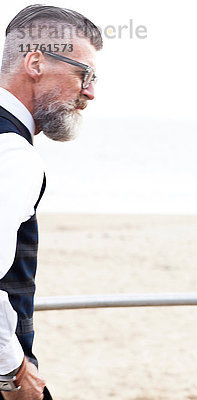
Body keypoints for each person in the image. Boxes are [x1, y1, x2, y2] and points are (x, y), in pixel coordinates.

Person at [0, 5, 102, 399]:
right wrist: (12, 372)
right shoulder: (12, 154)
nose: (90, 91)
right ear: (36, 62)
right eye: (84, 74)